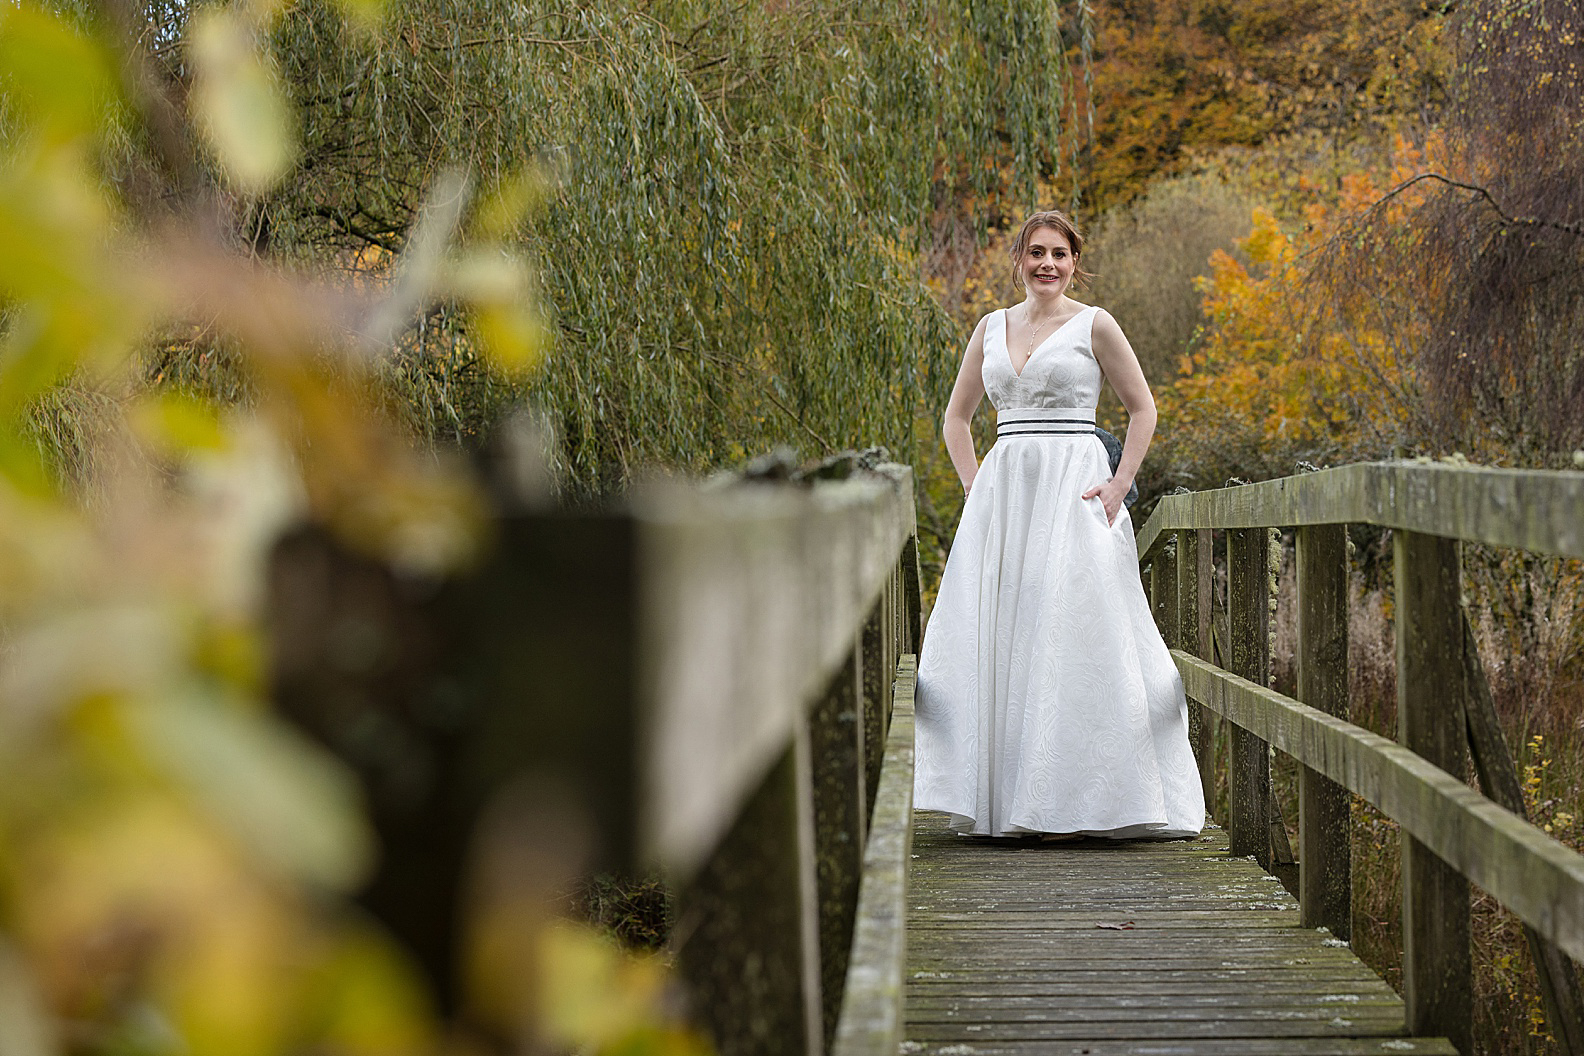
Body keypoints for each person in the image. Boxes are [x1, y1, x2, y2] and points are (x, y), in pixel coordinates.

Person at [913, 209, 1205, 840]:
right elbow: (957, 419)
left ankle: (1077, 800)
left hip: (1075, 487)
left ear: (1075, 263)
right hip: (1006, 492)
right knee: (1004, 627)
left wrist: (1121, 483)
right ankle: (1004, 801)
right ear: (1019, 260)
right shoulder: (990, 329)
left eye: (1060, 254)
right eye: (1036, 252)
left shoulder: (1094, 325)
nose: (1047, 264)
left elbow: (1142, 408)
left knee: (1074, 628)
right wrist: (974, 485)